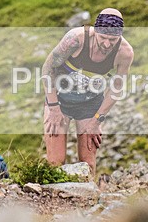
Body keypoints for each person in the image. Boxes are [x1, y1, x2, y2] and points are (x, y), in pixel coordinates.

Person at [41, 9, 134, 173]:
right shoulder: (76, 38)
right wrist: (54, 108)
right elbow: (48, 69)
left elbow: (116, 89)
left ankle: (88, 197)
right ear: (95, 31)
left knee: (88, 163)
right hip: (59, 100)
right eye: (103, 38)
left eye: (112, 40)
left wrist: (97, 121)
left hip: (90, 104)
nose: (106, 44)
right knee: (55, 161)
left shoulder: (125, 53)